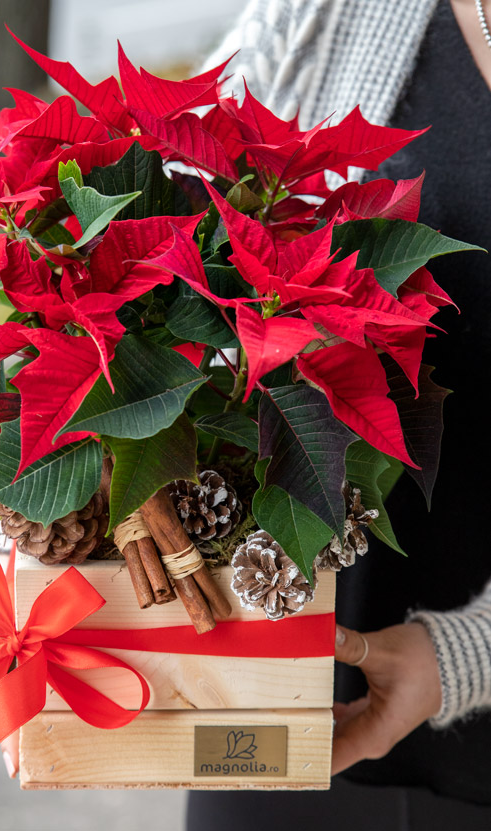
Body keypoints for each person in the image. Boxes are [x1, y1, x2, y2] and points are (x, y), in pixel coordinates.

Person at [186, 0, 491, 826]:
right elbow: (154, 233)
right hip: (270, 729)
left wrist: (463, 654)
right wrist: (13, 547)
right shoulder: (326, 12)